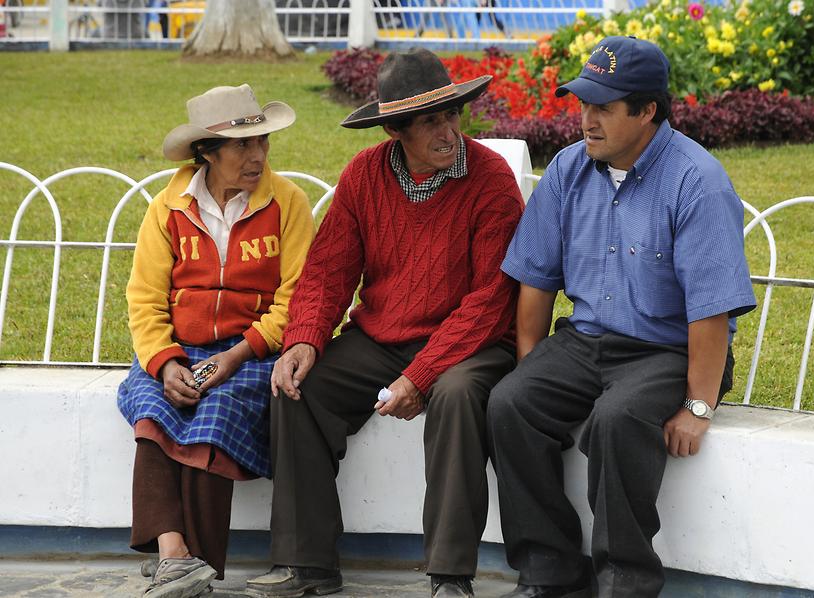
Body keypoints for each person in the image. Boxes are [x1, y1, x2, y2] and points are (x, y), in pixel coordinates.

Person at [245, 49, 524, 598]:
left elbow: (493, 299)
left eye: (451, 115)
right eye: (430, 122)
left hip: (471, 342)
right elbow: (327, 271)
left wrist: (420, 376)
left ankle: (449, 574)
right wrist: (303, 340)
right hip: (381, 336)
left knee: (459, 396)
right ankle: (309, 566)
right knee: (297, 389)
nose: (448, 131)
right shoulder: (365, 175)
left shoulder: (492, 181)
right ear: (396, 129)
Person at [487, 36, 757, 597]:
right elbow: (535, 281)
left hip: (668, 350)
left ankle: (625, 581)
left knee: (617, 420)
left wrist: (699, 406)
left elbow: (711, 312)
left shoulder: (695, 181)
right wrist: (532, 369)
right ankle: (549, 571)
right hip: (585, 341)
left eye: (604, 107)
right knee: (511, 403)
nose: (587, 119)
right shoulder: (567, 169)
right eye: (583, 104)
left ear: (647, 111)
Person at [117, 84, 316, 598]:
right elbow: (144, 297)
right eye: (242, 146)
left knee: (216, 411)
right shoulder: (167, 208)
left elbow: (295, 297)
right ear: (206, 152)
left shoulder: (289, 204)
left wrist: (236, 354)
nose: (258, 156)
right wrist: (164, 363)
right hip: (179, 349)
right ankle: (175, 556)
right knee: (152, 407)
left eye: (262, 143)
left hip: (250, 350)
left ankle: (186, 565)